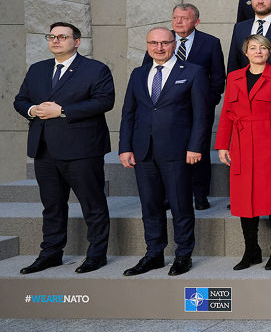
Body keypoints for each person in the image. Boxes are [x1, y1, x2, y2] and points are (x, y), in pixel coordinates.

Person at [14, 22, 115, 275]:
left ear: (77, 41)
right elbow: (20, 99)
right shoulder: (38, 69)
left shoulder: (95, 69)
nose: (55, 40)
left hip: (82, 149)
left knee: (92, 204)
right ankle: (51, 253)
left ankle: (96, 255)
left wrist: (62, 111)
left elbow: (105, 101)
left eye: (62, 36)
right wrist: (32, 110)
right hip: (45, 149)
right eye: (51, 36)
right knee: (52, 205)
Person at [119, 27, 210, 277]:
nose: (159, 48)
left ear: (174, 44)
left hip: (178, 151)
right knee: (150, 205)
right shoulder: (138, 74)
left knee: (181, 204)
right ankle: (154, 254)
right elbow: (128, 113)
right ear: (147, 45)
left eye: (165, 43)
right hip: (143, 151)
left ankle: (183, 255)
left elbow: (201, 115)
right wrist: (125, 147)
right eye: (153, 43)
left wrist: (195, 147)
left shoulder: (192, 72)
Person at [215, 34, 271, 271]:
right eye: (253, 47)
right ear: (246, 52)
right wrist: (222, 145)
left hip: (270, 143)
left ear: (269, 52)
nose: (258, 51)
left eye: (263, 47)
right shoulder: (234, 77)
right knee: (243, 199)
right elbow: (228, 114)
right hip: (240, 145)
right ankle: (252, 250)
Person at [141, 3, 224, 210]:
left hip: (198, 110)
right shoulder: (161, 40)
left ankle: (200, 194)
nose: (178, 22)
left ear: (196, 21)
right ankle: (170, 195)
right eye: (176, 17)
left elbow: (218, 77)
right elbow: (146, 71)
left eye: (184, 18)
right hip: (166, 111)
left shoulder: (210, 43)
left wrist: (206, 103)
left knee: (199, 151)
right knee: (169, 154)